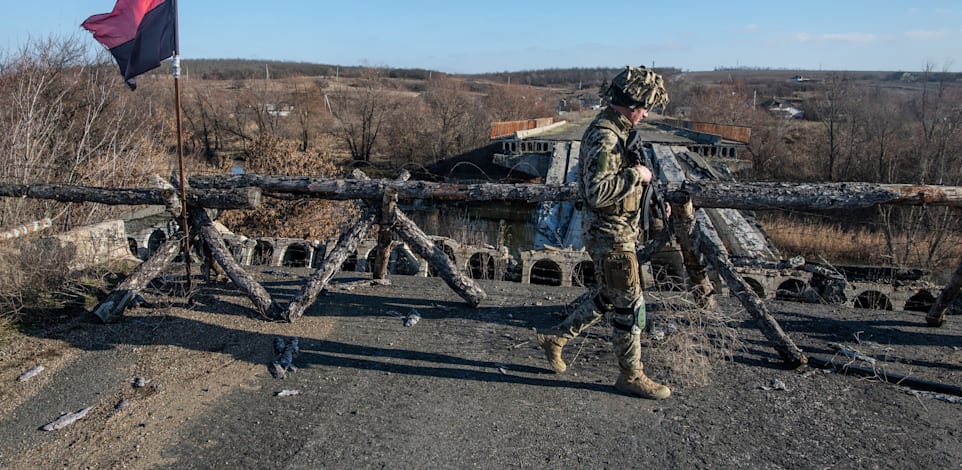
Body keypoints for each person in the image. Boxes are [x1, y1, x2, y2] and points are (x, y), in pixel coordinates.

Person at [537, 65, 671, 400]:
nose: (646, 114)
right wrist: (635, 176)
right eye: (644, 107)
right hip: (608, 232)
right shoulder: (606, 135)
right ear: (631, 103)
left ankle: (557, 338)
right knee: (630, 304)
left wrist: (652, 201)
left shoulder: (621, 130)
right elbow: (598, 191)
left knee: (614, 294)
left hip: (618, 229)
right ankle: (631, 375)